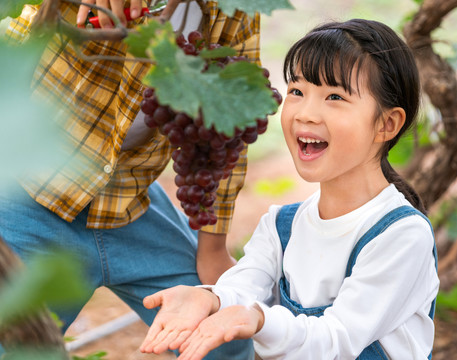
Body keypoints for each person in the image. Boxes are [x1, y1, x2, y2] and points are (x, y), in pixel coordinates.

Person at [138, 18, 440, 360]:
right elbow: (243, 285)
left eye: (334, 96)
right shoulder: (281, 225)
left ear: (387, 124)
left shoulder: (401, 236)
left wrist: (259, 319)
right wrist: (209, 298)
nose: (305, 113)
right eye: (297, 91)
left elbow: (337, 340)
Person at [0, 0, 259, 359]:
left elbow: (232, 126)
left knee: (222, 341)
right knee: (17, 347)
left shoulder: (236, 10)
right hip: (30, 191)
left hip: (130, 197)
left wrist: (212, 248)